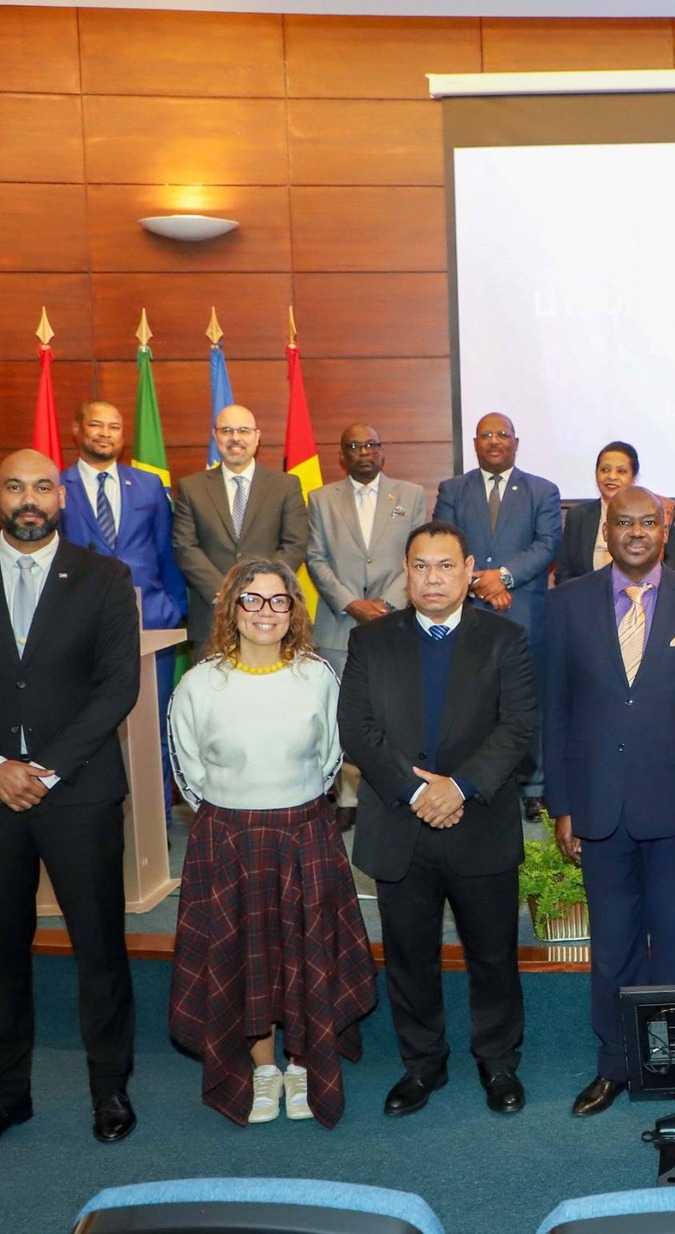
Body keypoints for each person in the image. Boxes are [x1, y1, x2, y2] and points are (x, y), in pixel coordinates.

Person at [0, 449, 141, 1160]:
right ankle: (4, 1097)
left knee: (99, 947)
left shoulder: (104, 577)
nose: (30, 498)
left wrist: (43, 769)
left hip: (77, 792)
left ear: (61, 499)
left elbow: (116, 687)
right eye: (16, 486)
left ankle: (110, 1087)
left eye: (43, 486)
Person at [544, 487, 675, 1115]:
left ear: (666, 527)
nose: (634, 533)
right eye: (622, 522)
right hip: (599, 807)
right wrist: (563, 803)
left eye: (646, 523)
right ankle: (616, 1064)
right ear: (606, 528)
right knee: (614, 945)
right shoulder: (566, 604)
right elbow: (558, 713)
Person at [337, 521, 538, 1118]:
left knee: (493, 955)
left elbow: (520, 726)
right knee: (408, 956)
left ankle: (498, 1061)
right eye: (421, 565)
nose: (432, 577)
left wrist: (460, 787)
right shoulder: (371, 641)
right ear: (406, 569)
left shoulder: (506, 637)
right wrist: (413, 792)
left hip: (480, 823)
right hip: (401, 826)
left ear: (468, 567)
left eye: (445, 565)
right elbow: (358, 731)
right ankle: (422, 1065)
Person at [165, 559, 377, 1128]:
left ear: (294, 611)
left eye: (278, 601)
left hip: (304, 832)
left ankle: (305, 1062)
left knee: (304, 954)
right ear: (231, 608)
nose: (265, 612)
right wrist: (243, 806)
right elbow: (189, 770)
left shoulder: (316, 677)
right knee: (244, 955)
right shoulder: (198, 683)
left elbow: (332, 756)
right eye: (252, 601)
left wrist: (292, 800)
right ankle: (261, 1067)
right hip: (229, 839)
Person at [58, 399, 186, 806]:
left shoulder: (147, 485)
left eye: (113, 427)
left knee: (152, 731)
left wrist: (173, 607)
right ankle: (96, 816)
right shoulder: (57, 486)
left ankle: (158, 821)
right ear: (76, 430)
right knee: (88, 727)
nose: (104, 434)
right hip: (82, 627)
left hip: (150, 623)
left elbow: (166, 551)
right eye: (95, 425)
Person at [305, 423, 427, 828]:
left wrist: (388, 602)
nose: (364, 451)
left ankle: (399, 789)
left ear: (382, 451)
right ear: (342, 455)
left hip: (396, 621)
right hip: (340, 623)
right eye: (354, 446)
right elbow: (316, 558)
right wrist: (351, 602)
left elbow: (417, 554)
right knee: (345, 713)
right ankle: (349, 798)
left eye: (371, 444)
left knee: (396, 711)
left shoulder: (410, 495)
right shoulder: (321, 499)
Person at [172, 404, 311, 644]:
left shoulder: (285, 486)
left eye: (244, 430)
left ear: (257, 437)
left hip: (270, 614)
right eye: (227, 430)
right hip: (211, 614)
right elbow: (185, 546)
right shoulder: (191, 488)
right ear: (215, 436)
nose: (235, 438)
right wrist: (227, 591)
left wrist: (259, 591)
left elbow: (295, 543)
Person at [432, 413, 563, 633]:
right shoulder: (452, 490)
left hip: (523, 613)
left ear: (516, 442)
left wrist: (503, 576)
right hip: (465, 612)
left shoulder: (542, 491)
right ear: (475, 444)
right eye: (486, 435)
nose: (494, 440)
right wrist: (481, 585)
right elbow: (444, 546)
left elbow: (548, 545)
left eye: (503, 434)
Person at [555, 441, 675, 581]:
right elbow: (564, 572)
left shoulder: (657, 511)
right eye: (604, 470)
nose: (611, 476)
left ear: (634, 477)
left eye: (621, 471)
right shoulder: (578, 515)